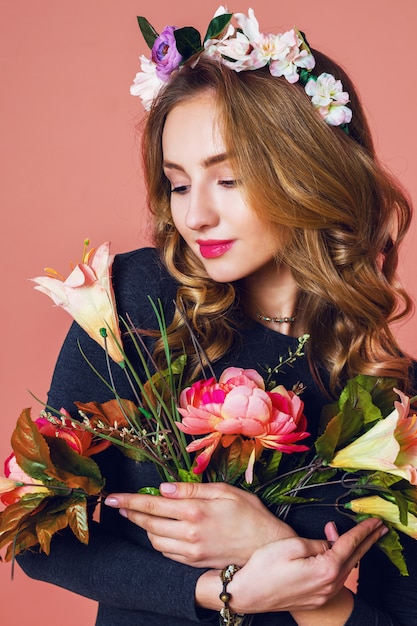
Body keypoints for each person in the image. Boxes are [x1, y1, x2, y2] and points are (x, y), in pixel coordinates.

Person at [17, 8, 417, 626]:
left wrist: (280, 557)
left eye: (228, 179)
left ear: (308, 174)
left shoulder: (390, 397)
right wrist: (222, 590)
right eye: (179, 185)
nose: (196, 216)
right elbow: (35, 534)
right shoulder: (134, 301)